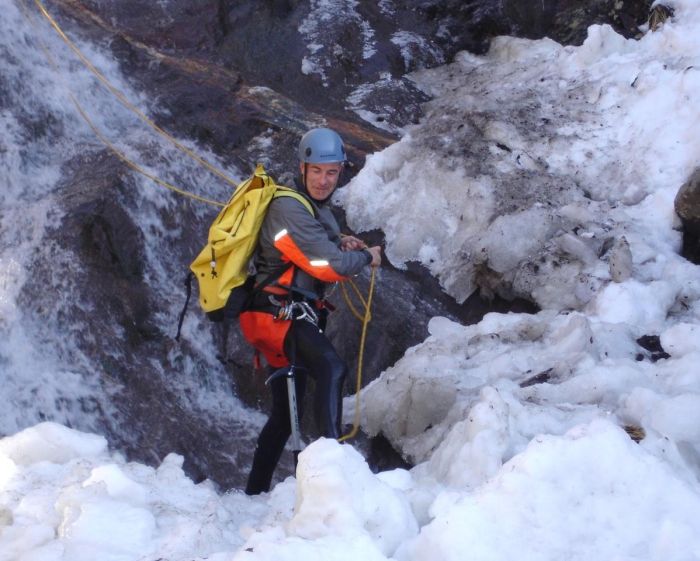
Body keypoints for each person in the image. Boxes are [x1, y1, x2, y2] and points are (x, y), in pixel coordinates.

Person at [240, 127, 381, 495]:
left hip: (282, 313)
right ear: (302, 168)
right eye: (316, 171)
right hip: (279, 315)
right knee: (332, 367)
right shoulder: (288, 206)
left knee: (285, 417)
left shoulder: (311, 207)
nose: (323, 180)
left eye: (331, 172)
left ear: (340, 173)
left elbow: (319, 245)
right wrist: (365, 256)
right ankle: (333, 475)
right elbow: (325, 266)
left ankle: (254, 493)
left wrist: (342, 242)